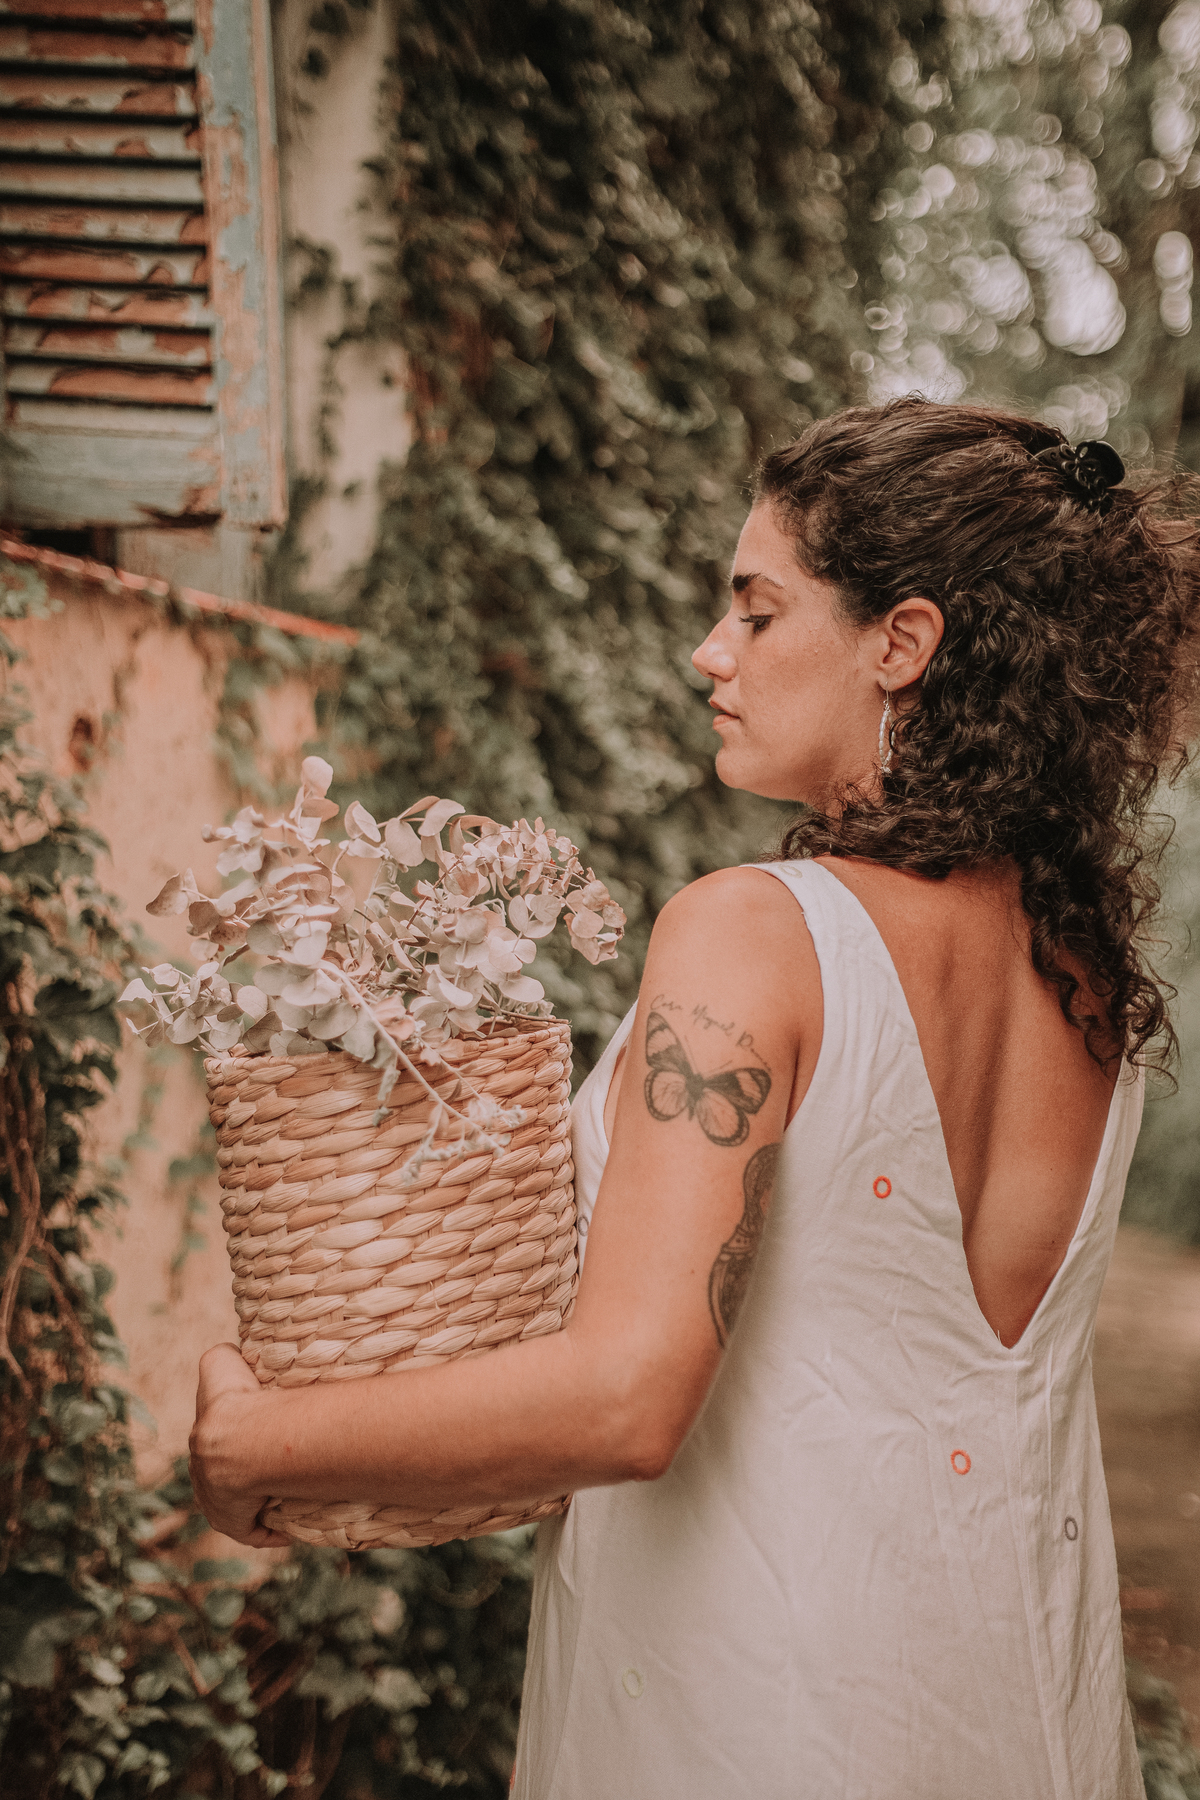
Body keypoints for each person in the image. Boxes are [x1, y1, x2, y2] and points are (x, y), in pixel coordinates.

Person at [191, 397, 1200, 1798]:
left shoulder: (756, 932)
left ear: (902, 645)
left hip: (765, 1715)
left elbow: (627, 1395)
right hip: (1017, 1703)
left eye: (758, 613)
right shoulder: (1087, 976)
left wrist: (260, 1446)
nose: (707, 652)